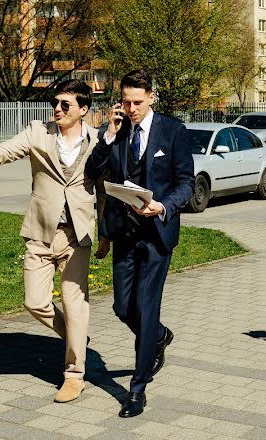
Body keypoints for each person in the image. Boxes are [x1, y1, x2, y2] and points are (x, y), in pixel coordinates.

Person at [0, 79, 107, 403]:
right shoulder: (38, 133)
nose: (57, 109)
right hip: (40, 233)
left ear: (83, 109)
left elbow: (104, 190)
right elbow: (1, 153)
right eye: (56, 103)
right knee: (34, 301)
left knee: (74, 304)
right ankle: (75, 338)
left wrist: (105, 234)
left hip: (75, 235)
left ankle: (74, 374)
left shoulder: (97, 141)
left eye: (65, 105)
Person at [85, 70, 195, 418]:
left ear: (151, 97)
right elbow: (92, 172)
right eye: (125, 102)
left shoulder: (172, 130)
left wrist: (163, 205)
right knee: (121, 307)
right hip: (124, 232)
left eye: (136, 102)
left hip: (157, 234)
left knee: (146, 309)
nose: (130, 108)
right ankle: (159, 337)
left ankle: (137, 388)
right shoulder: (116, 132)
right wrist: (107, 135)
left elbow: (186, 182)